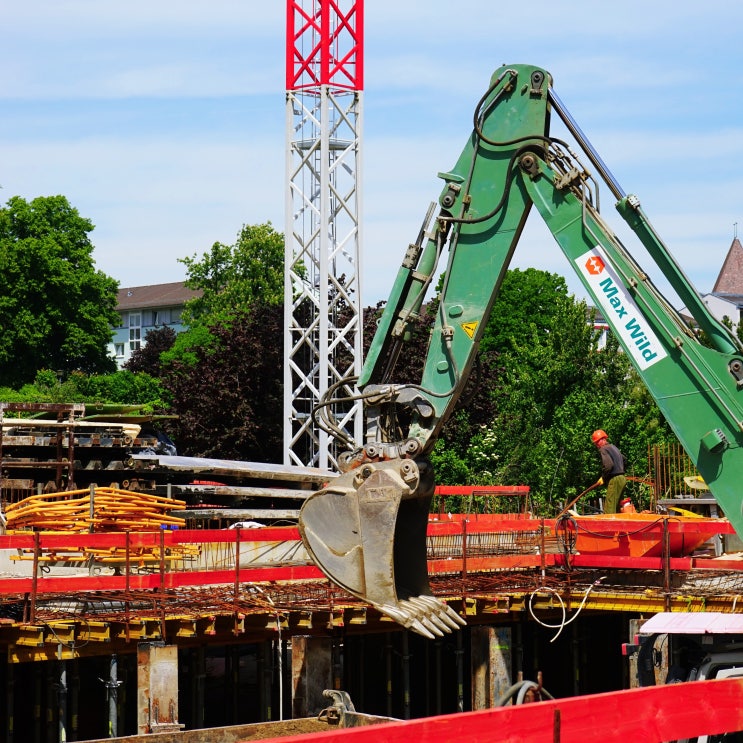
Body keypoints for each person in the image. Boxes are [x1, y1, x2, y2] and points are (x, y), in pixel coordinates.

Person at [591, 429, 627, 514]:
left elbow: (608, 466)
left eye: (597, 442)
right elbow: (624, 460)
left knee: (609, 507)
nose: (596, 445)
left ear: (603, 439)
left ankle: (608, 526)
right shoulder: (614, 447)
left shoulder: (603, 449)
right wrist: (620, 469)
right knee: (617, 506)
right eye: (595, 443)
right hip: (622, 479)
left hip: (615, 479)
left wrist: (604, 477)